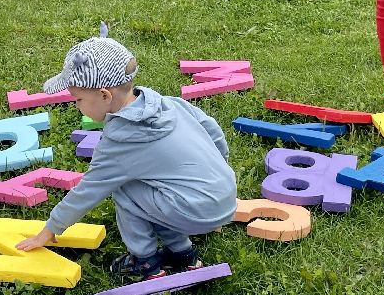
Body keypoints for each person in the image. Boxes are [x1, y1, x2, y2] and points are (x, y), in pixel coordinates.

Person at [16, 32, 237, 280]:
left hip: (195, 212)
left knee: (125, 187)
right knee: (155, 189)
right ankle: (184, 254)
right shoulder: (170, 103)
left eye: (78, 99)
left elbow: (89, 190)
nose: (76, 106)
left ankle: (145, 261)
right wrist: (217, 175)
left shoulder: (119, 141)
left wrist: (50, 229)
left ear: (105, 95)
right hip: (226, 196)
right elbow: (213, 131)